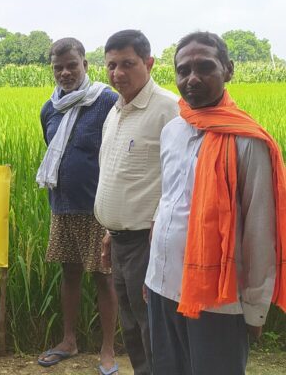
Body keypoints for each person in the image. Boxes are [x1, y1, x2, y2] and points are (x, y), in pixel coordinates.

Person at [144, 31, 286, 375]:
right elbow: (167, 203)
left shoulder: (246, 141)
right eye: (183, 70)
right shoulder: (173, 130)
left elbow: (259, 229)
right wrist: (152, 274)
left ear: (228, 69)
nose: (192, 78)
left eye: (204, 67)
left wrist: (254, 309)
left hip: (220, 300)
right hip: (162, 286)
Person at [94, 30, 179, 375]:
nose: (118, 73)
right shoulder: (116, 110)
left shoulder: (168, 109)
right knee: (130, 325)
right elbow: (121, 177)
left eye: (127, 64)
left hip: (149, 241)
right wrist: (110, 230)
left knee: (153, 327)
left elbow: (179, 179)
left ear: (149, 63)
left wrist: (155, 231)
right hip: (120, 239)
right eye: (111, 65)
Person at [36, 37, 119, 374]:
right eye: (59, 67)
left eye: (72, 65)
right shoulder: (49, 109)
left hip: (98, 207)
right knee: (69, 273)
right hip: (62, 205)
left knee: (104, 277)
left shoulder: (106, 101)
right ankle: (69, 341)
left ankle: (108, 350)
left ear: (86, 64)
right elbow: (53, 147)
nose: (65, 72)